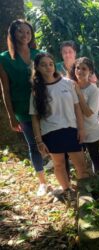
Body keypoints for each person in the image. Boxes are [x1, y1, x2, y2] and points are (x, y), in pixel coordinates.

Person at [29, 52, 89, 201]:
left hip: (71, 130)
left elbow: (77, 108)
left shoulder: (68, 83)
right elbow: (35, 119)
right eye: (43, 65)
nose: (48, 67)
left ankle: (86, 193)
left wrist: (81, 129)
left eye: (50, 63)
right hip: (51, 133)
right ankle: (67, 190)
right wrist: (39, 141)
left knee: (81, 166)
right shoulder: (37, 91)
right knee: (59, 164)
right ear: (37, 68)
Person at [0, 19, 49, 196]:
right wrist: (11, 116)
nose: (25, 35)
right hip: (22, 107)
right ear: (13, 34)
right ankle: (42, 182)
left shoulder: (39, 54)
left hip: (44, 105)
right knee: (34, 144)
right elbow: (5, 89)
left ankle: (59, 171)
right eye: (20, 32)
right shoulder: (4, 59)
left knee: (51, 139)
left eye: (28, 32)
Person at [68, 57, 99, 174]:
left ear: (90, 72)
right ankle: (84, 179)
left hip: (90, 129)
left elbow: (88, 113)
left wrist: (78, 92)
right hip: (73, 129)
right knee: (78, 158)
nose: (80, 71)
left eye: (84, 69)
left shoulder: (93, 90)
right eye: (78, 68)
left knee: (94, 157)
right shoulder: (69, 86)